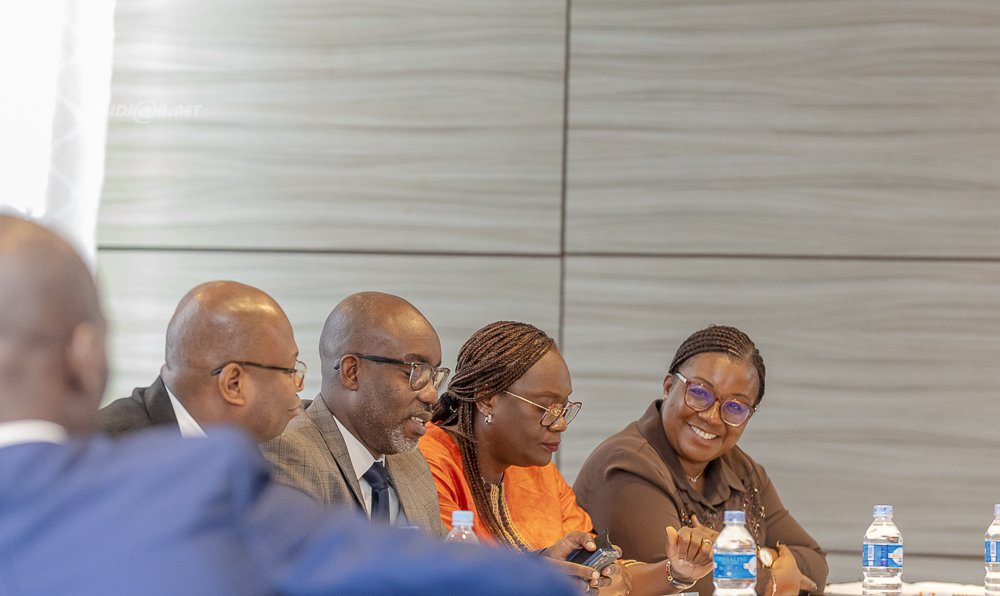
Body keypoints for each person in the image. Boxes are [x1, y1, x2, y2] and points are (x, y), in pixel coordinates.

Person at [0, 213, 577, 596]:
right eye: (289, 372)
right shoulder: (186, 480)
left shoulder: (407, 461)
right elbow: (384, 565)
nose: (299, 392)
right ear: (86, 356)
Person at [420, 320, 716, 595]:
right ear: (487, 398)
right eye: (546, 408)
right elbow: (448, 579)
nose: (560, 423)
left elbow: (607, 574)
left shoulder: (538, 472)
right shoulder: (428, 463)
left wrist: (676, 572)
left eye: (563, 408)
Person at [574, 325, 829, 596]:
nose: (711, 417)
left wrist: (758, 556)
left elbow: (815, 564)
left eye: (735, 407)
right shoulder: (626, 465)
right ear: (669, 386)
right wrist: (773, 578)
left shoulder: (740, 468)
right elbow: (681, 580)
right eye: (699, 393)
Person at [262, 292, 448, 536]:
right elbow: (307, 559)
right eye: (413, 372)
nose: (432, 395)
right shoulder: (288, 452)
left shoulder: (412, 462)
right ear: (352, 372)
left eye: (433, 376)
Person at [98, 280, 305, 443]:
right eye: (290, 370)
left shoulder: (241, 444)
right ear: (233, 384)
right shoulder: (110, 454)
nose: (299, 385)